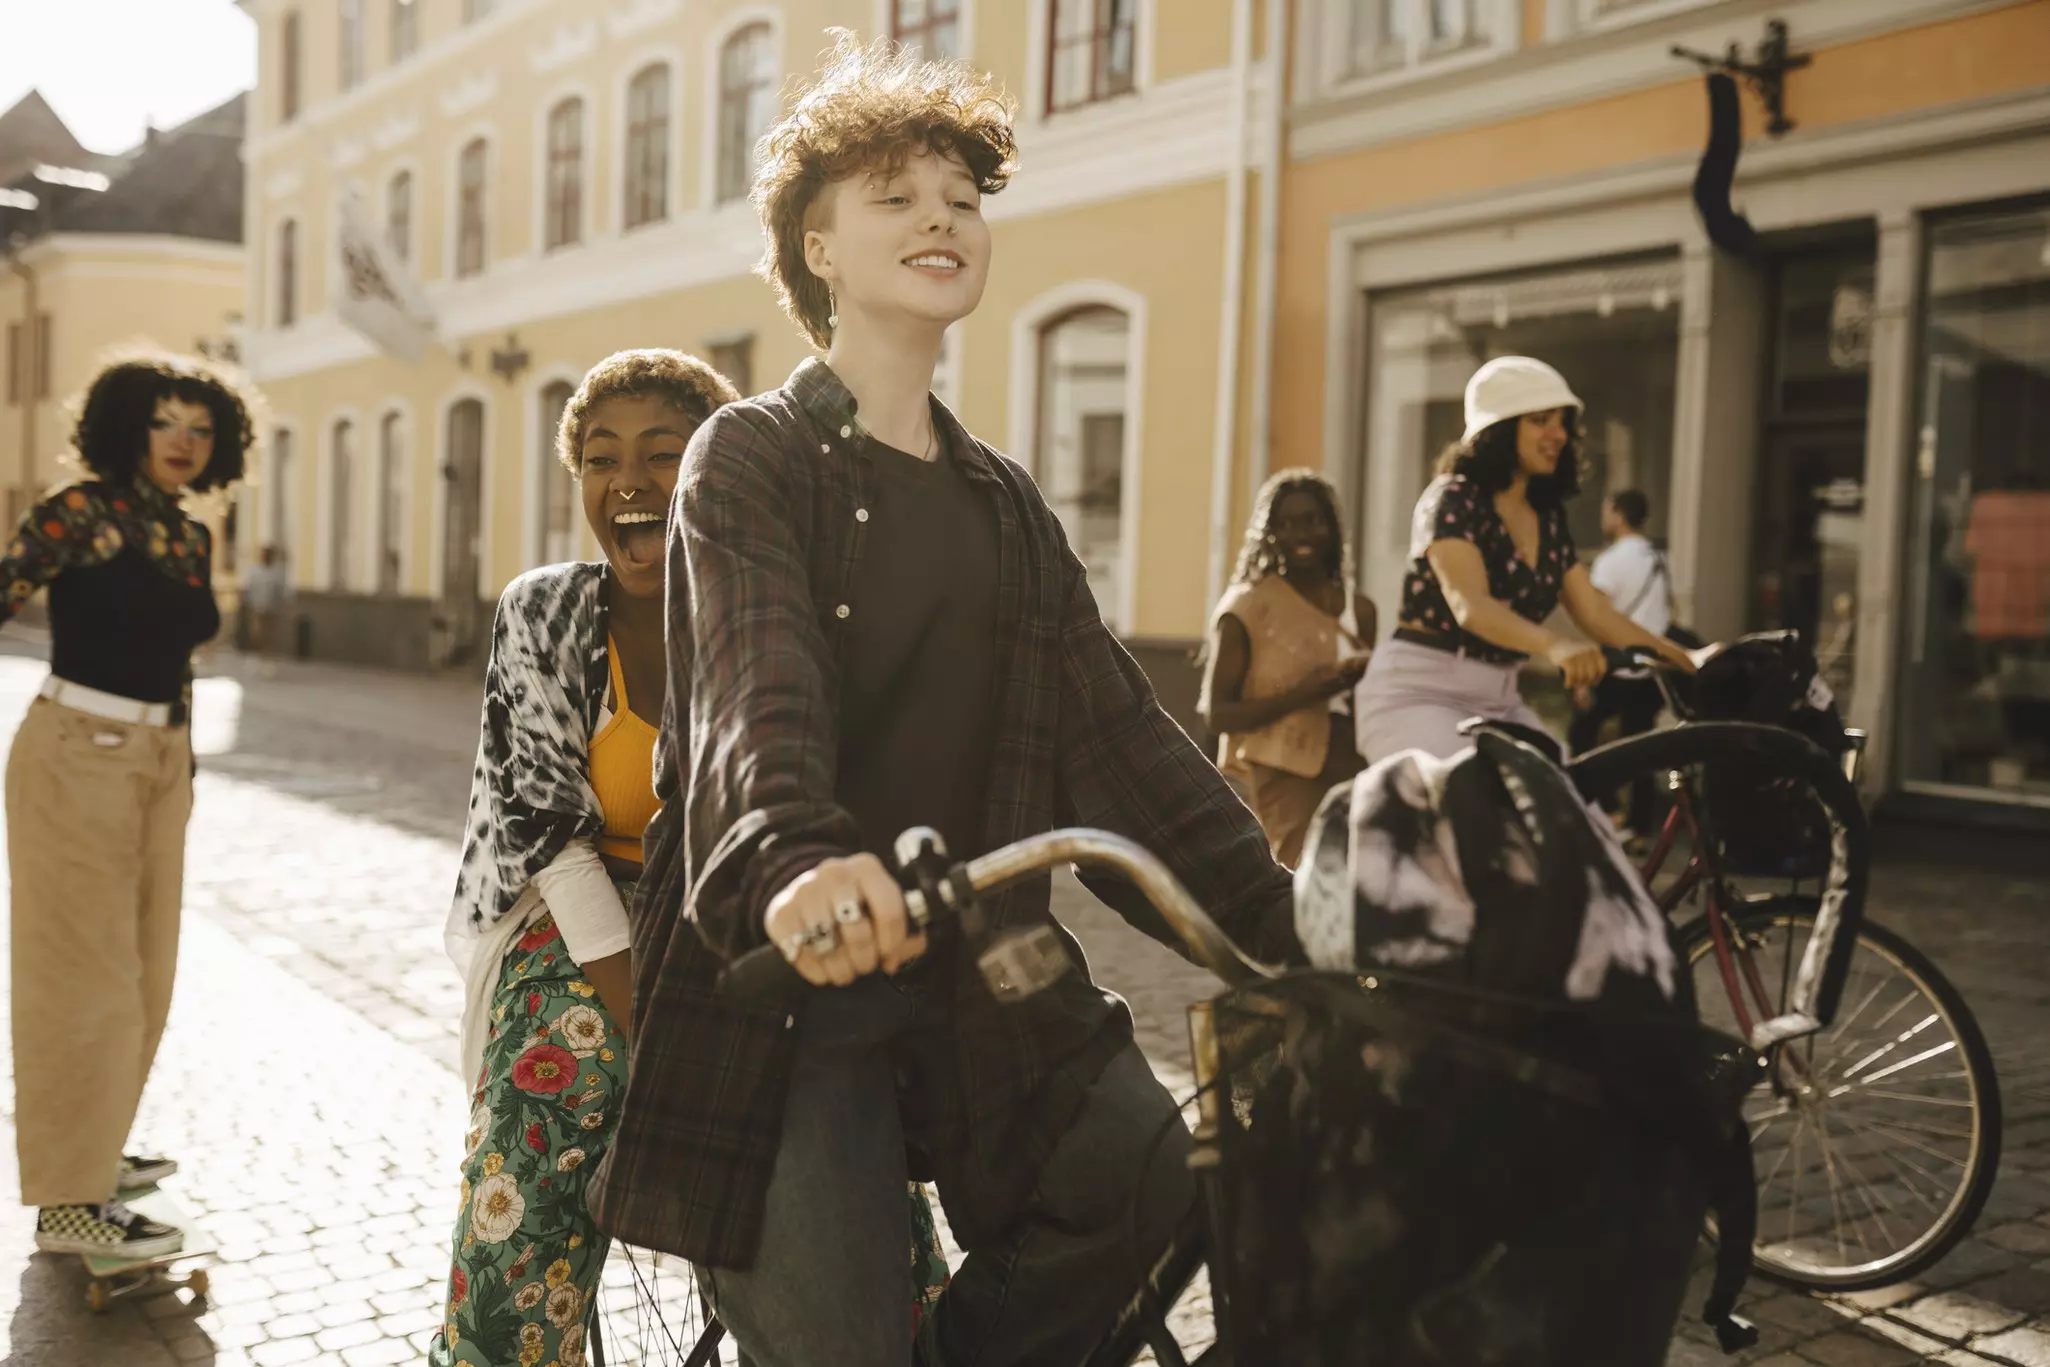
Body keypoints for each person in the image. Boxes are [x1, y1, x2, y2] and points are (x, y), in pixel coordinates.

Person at [586, 36, 1300, 1367]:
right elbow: (755, 689)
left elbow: (1125, 745)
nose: (941, 218)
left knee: (1154, 1177)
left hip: (987, 972)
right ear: (818, 250)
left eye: (962, 199)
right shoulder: (749, 457)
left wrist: (1294, 930)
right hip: (791, 982)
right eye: (896, 196)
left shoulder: (1003, 502)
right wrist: (793, 854)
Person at [428, 350, 955, 1366]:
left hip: (740, 899)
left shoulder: (780, 603)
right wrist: (655, 1021)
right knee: (554, 1086)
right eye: (598, 457)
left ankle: (901, 1330)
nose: (627, 480)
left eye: (663, 454)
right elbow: (548, 831)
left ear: (716, 471)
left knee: (839, 1105)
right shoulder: (544, 614)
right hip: (582, 911)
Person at [2, 351, 255, 1257]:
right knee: (86, 981)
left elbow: (176, 655)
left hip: (158, 760)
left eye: (201, 427)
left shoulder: (189, 535)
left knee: (147, 977)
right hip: (77, 752)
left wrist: (179, 762)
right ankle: (69, 1204)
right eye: (165, 422)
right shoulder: (77, 514)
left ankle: (94, 1150)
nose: (185, 442)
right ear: (126, 426)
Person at [1355, 356, 1694, 763]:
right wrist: (1556, 646)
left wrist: (1688, 660)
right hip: (1419, 693)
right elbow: (1471, 606)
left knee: (1576, 811)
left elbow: (1596, 613)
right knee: (1472, 806)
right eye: (1540, 420)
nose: (1559, 435)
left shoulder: (1547, 517)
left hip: (1500, 697)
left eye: (1562, 423)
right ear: (1499, 429)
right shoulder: (1452, 498)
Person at [1200, 469, 1377, 866]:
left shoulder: (1359, 609)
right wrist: (1308, 692)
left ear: (1332, 529)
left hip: (1356, 764)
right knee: (1300, 878)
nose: (1302, 534)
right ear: (1270, 533)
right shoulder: (1248, 609)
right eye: (1287, 524)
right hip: (1287, 769)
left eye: (1313, 521)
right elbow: (1217, 715)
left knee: (1357, 878)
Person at [1569, 488, 1671, 835]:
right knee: (1640, 746)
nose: (1603, 517)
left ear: (1619, 515)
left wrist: (1586, 672)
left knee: (1581, 734)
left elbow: (1596, 619)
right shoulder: (1659, 558)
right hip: (1653, 670)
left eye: (1606, 509)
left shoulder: (1611, 561)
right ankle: (1639, 827)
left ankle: (1607, 809)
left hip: (1619, 667)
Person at [239, 544, 291, 664]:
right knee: (258, 633)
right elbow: (249, 587)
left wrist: (285, 605)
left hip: (273, 608)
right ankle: (261, 653)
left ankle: (269, 656)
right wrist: (247, 603)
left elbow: (283, 590)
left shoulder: (277, 572)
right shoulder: (255, 571)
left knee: (271, 633)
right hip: (258, 608)